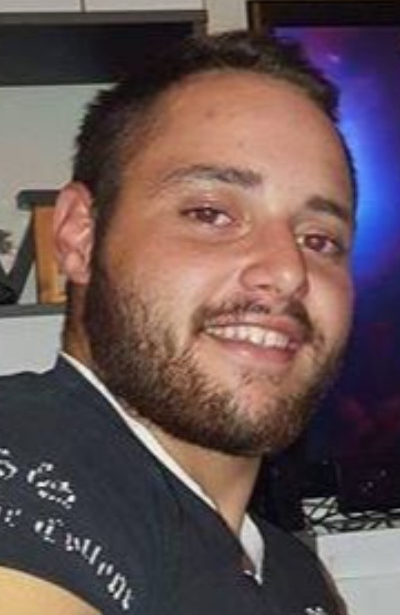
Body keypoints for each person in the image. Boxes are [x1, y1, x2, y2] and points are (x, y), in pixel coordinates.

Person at [0, 30, 356, 614]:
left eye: (320, 240)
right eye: (210, 213)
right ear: (80, 236)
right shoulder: (22, 463)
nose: (288, 271)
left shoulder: (296, 578)